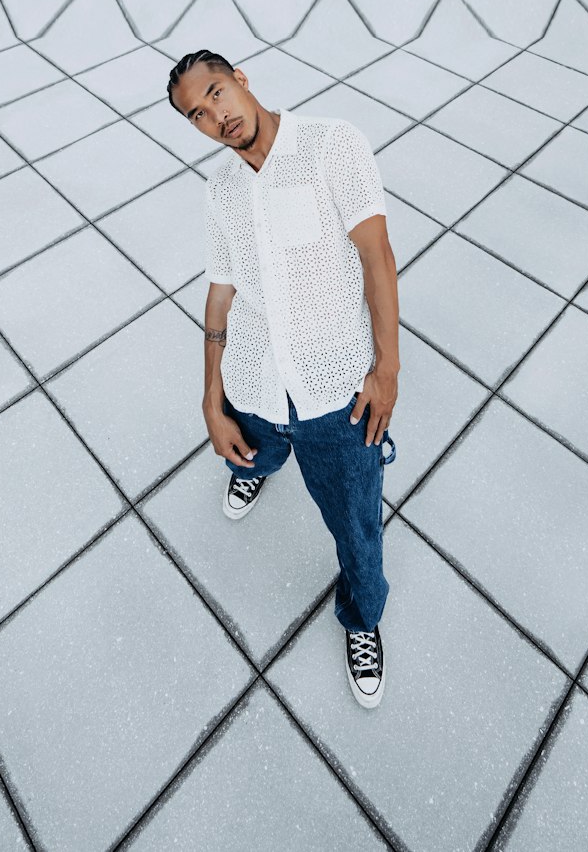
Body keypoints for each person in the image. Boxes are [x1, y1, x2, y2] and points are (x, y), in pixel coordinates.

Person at [167, 48, 400, 707]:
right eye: (196, 114)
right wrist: (211, 400)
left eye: (216, 93)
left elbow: (377, 255)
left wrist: (387, 369)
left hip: (336, 389)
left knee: (356, 524)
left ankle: (362, 618)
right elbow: (219, 295)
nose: (214, 115)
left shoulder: (330, 145)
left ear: (241, 78)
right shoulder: (221, 190)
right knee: (254, 444)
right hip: (256, 377)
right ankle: (254, 465)